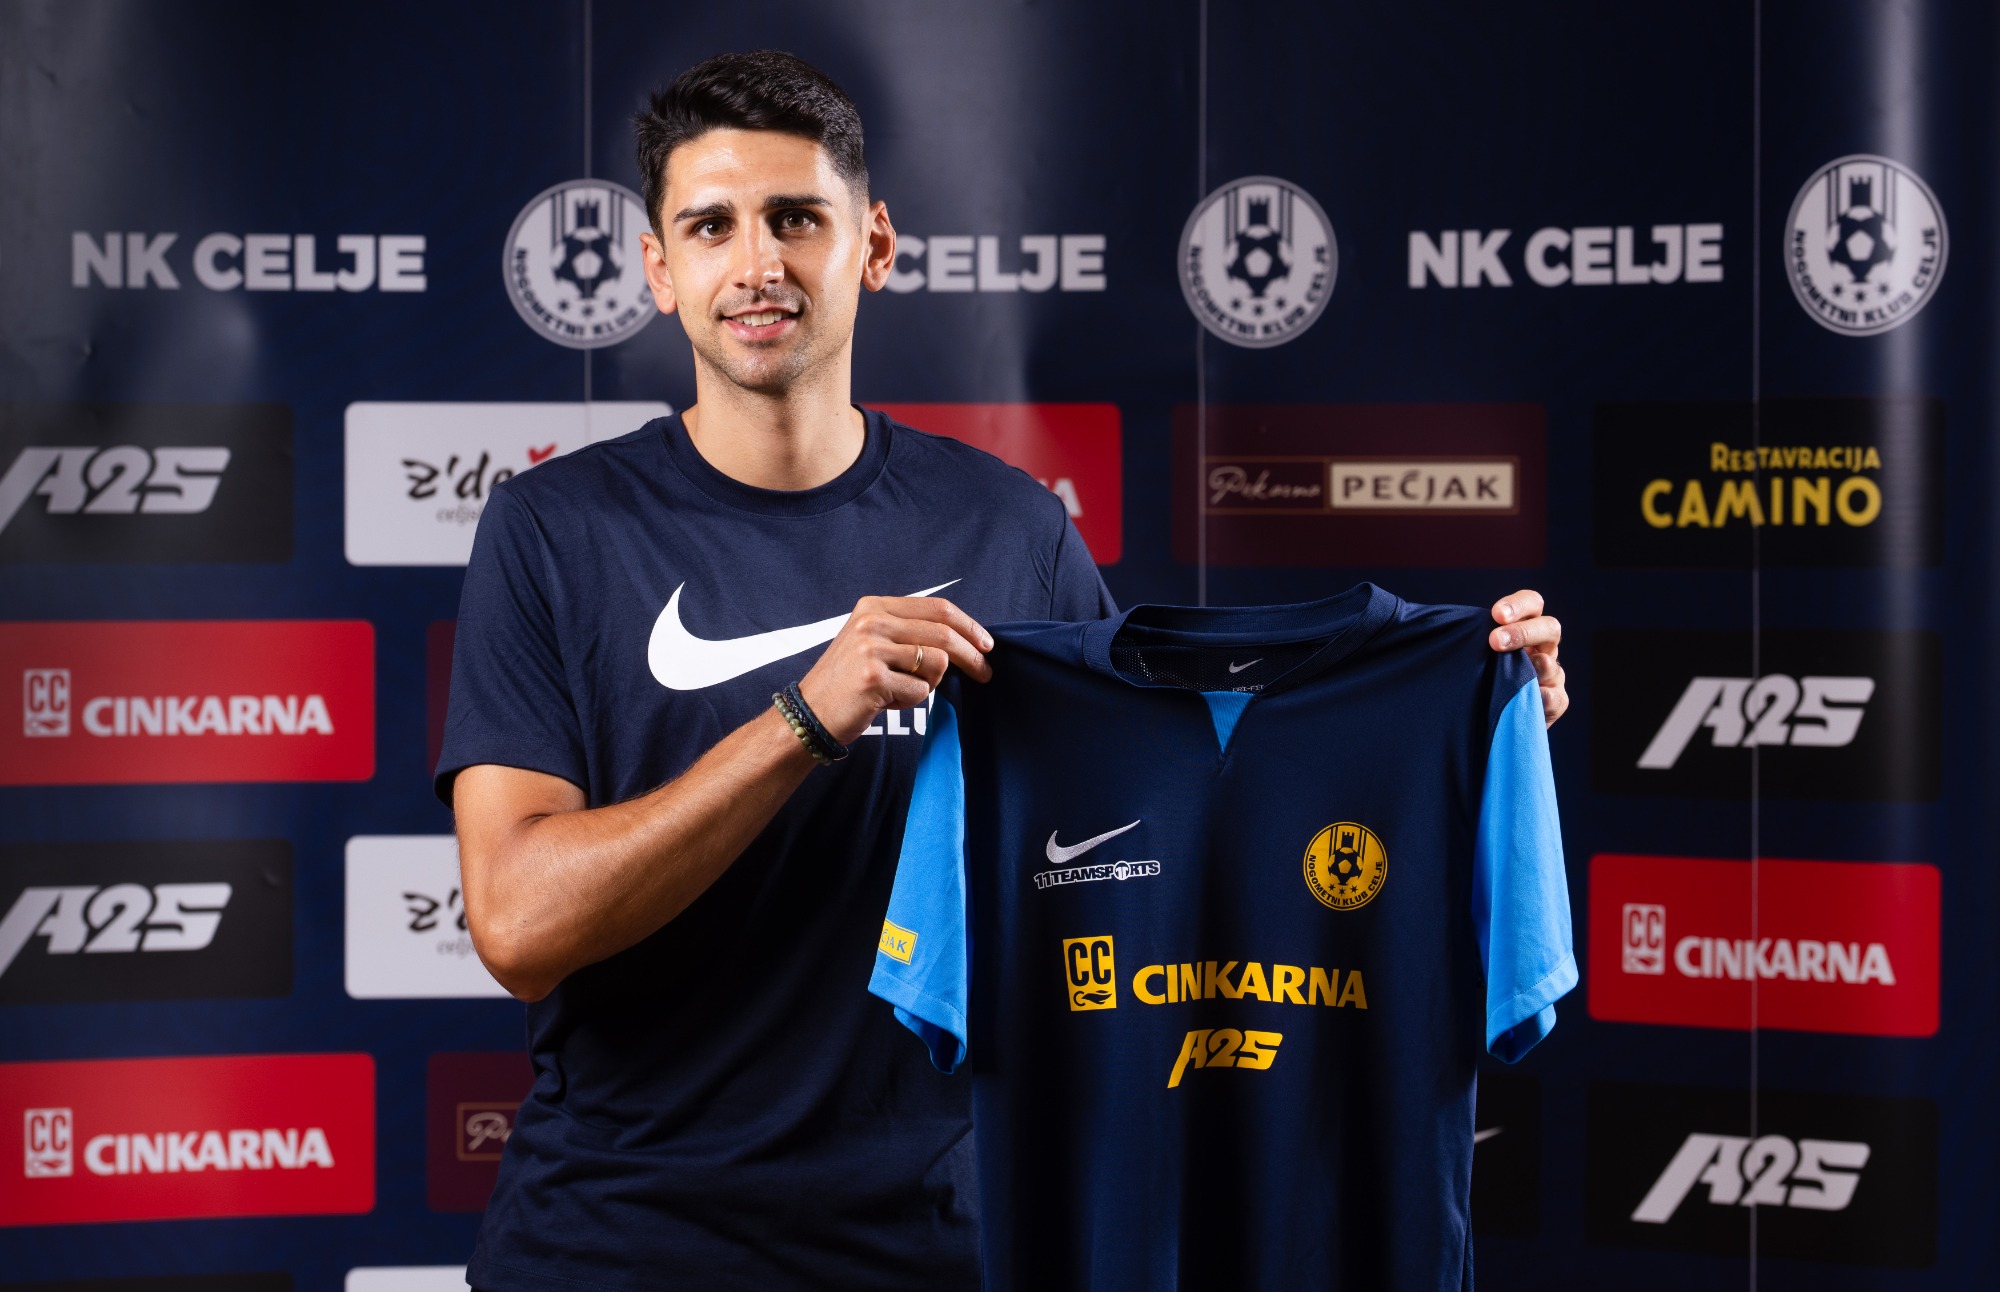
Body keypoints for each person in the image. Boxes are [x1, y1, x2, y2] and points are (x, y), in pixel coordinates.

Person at [438, 49, 1569, 1292]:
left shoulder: (1008, 527)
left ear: (872, 244)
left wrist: (1471, 715)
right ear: (660, 270)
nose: (757, 264)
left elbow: (1181, 796)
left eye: (796, 218)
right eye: (712, 227)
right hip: (616, 1242)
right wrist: (805, 717)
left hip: (937, 1244)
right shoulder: (551, 530)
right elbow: (519, 924)